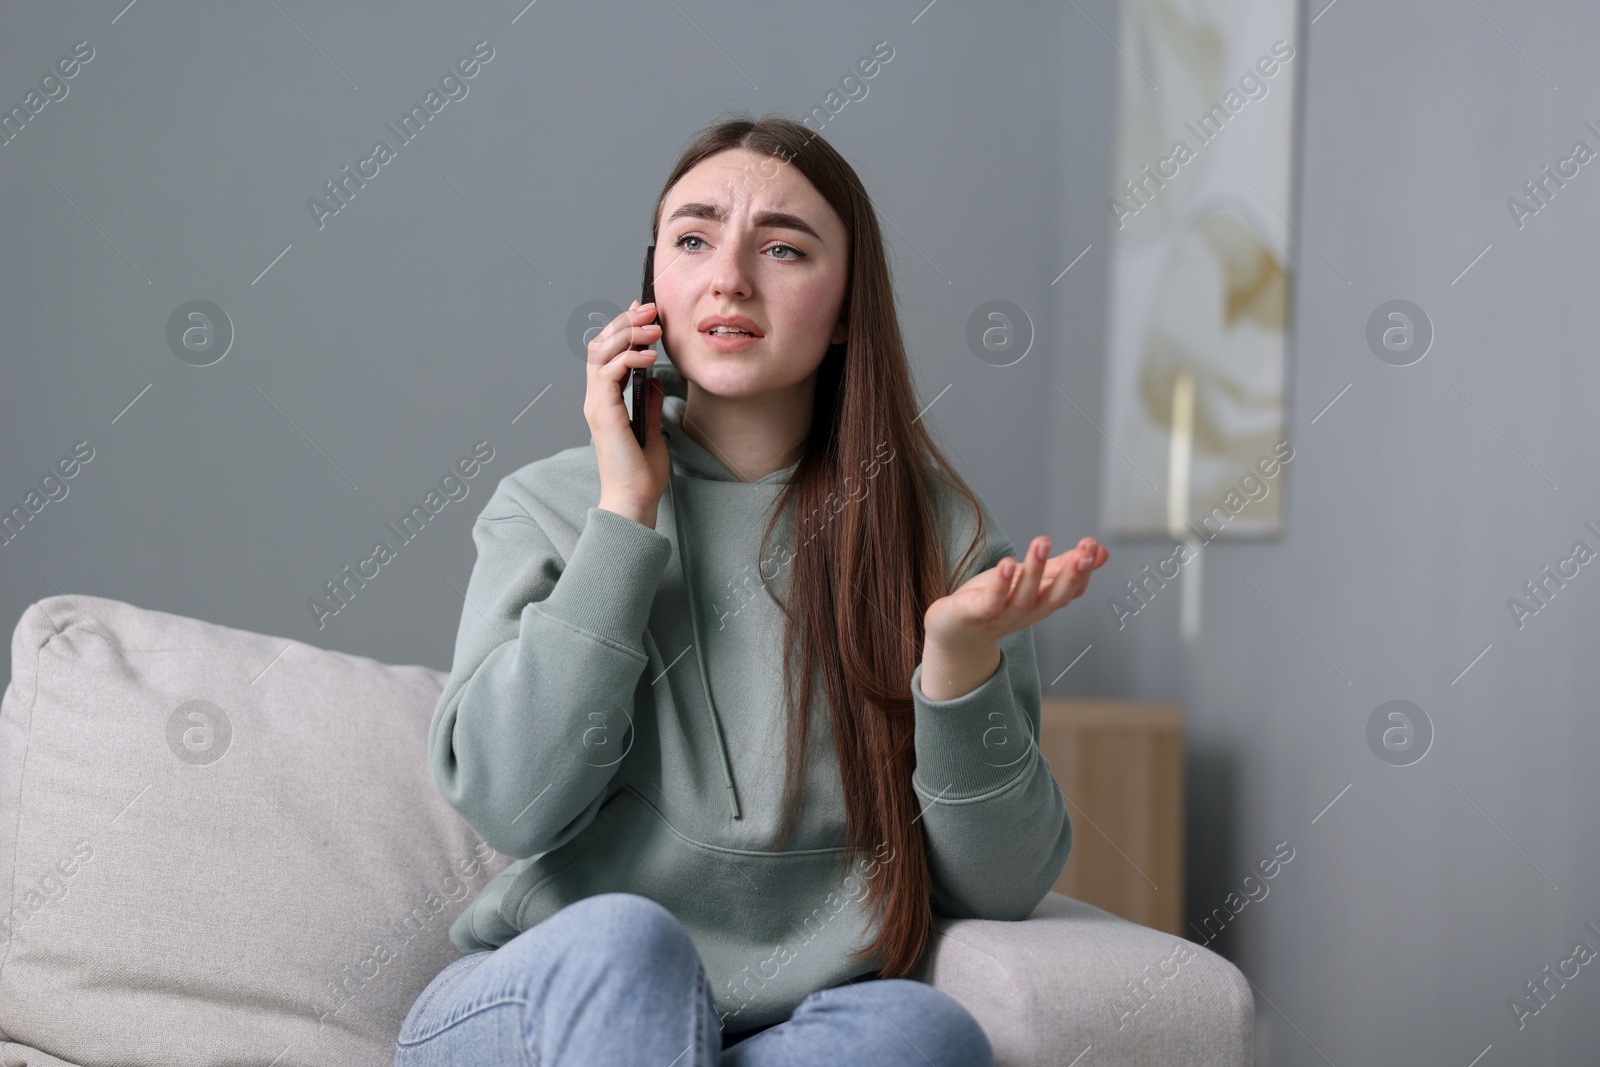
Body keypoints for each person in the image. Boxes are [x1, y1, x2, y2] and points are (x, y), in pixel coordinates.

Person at [396, 112, 1109, 1067]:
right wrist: (624, 516)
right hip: (552, 1005)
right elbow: (509, 804)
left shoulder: (943, 537)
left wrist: (957, 665)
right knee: (629, 942)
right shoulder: (549, 506)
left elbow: (1004, 887)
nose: (729, 276)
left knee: (916, 1031)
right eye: (693, 240)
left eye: (782, 248)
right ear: (654, 281)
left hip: (779, 1034)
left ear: (850, 303)